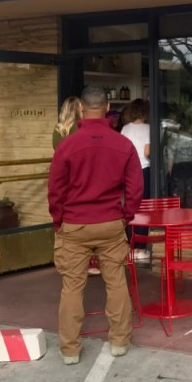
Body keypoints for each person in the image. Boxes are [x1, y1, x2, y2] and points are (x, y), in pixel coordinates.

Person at [47, 86, 143, 365]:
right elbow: (135, 188)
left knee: (72, 287)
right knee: (116, 283)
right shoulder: (123, 144)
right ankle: (119, 342)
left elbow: (55, 190)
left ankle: (70, 350)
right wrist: (126, 215)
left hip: (75, 225)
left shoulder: (66, 145)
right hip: (111, 223)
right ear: (107, 107)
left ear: (80, 109)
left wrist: (58, 221)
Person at [52, 96, 101, 275]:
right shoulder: (81, 130)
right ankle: (91, 261)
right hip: (83, 178)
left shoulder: (58, 130)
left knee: (69, 220)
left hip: (65, 179)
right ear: (80, 109)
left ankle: (71, 260)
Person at [119, 98, 151, 262]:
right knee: (144, 207)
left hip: (127, 171)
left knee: (130, 206)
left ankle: (130, 244)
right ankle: (141, 247)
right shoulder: (148, 128)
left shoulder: (125, 129)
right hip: (144, 170)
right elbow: (147, 152)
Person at [166, 117, 192, 208]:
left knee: (177, 194)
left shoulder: (173, 140)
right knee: (191, 195)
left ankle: (178, 218)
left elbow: (170, 159)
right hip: (191, 167)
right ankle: (190, 217)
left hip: (177, 168)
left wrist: (169, 173)